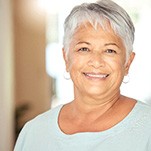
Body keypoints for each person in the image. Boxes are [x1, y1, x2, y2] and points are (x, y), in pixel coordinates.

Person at [14, 0, 151, 150]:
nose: (96, 62)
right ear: (66, 58)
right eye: (84, 49)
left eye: (110, 50)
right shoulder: (34, 132)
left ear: (127, 63)